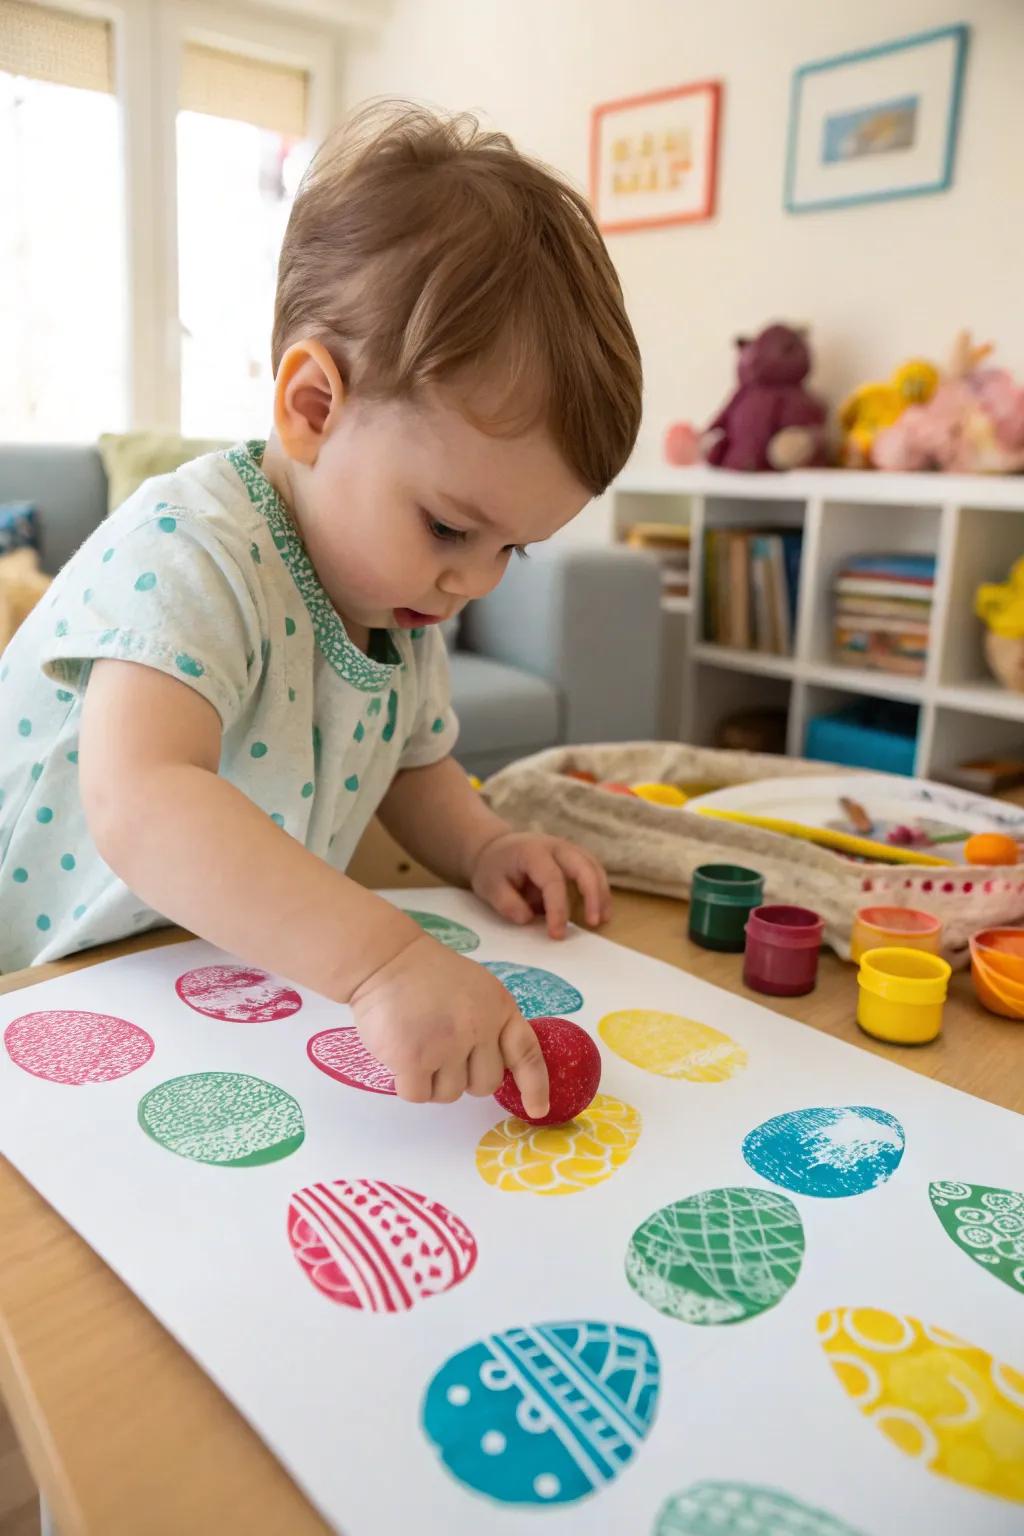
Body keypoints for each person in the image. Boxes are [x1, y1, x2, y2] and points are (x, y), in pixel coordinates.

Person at [0, 102, 643, 1117]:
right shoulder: (195, 543)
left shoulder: (400, 597)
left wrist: (482, 846)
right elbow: (144, 797)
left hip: (194, 977)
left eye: (511, 549)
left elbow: (412, 762)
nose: (476, 582)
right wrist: (382, 962)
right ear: (313, 407)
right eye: (447, 528)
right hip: (34, 969)